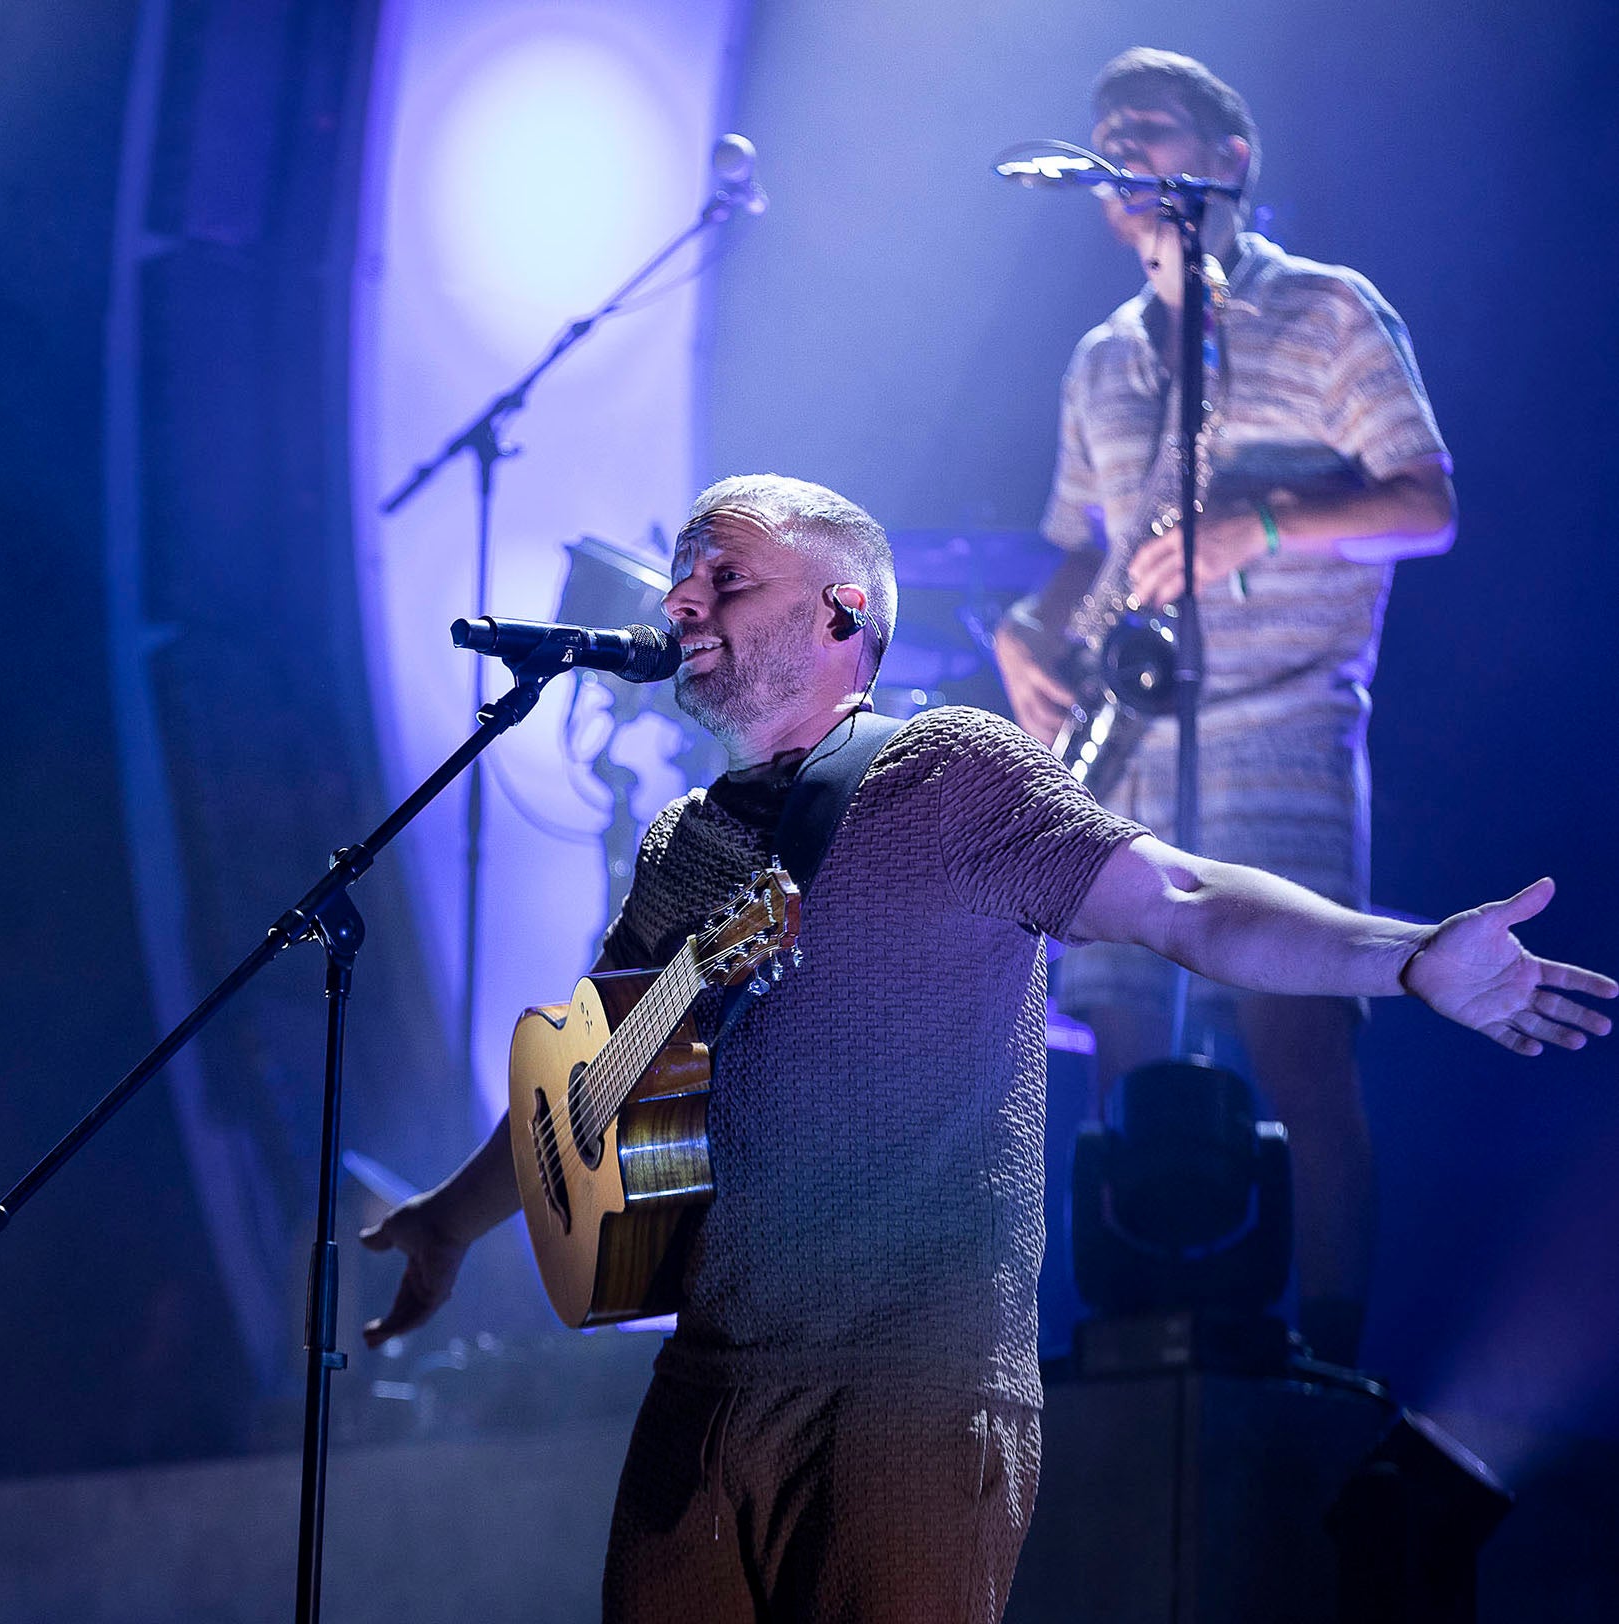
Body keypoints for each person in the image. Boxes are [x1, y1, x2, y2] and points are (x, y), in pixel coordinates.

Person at [364, 476, 1606, 1624]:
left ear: (844, 610)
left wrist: (1401, 953)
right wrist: (451, 1220)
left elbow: (1181, 897)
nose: (681, 599)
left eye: (724, 576)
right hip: (701, 1394)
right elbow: (589, 1083)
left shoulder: (950, 771)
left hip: (902, 1390)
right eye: (681, 576)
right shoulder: (683, 842)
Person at [991, 48, 1460, 1365]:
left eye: (1148, 128)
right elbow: (1087, 543)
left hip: (1287, 725)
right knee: (1123, 1042)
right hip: (1130, 735)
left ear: (1228, 159)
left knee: (1300, 1045)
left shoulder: (1330, 312)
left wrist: (1260, 523)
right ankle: (1139, 1352)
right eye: (1105, 139)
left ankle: (1325, 1365)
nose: (1120, 153)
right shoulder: (1099, 360)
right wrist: (1030, 632)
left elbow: (1426, 504)